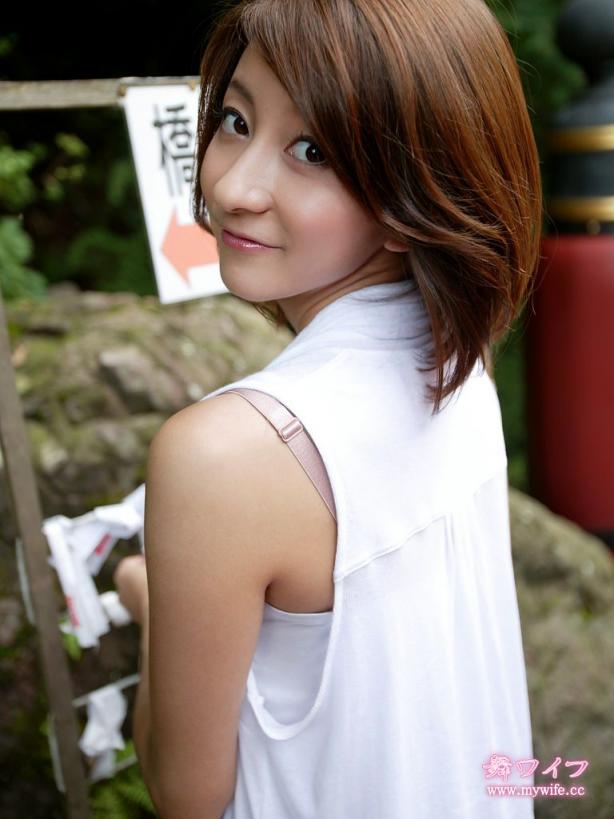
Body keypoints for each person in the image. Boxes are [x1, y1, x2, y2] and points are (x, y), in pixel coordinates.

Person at [113, 0, 542, 816]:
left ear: (413, 195)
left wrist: (155, 607)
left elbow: (185, 794)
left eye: (312, 150)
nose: (233, 186)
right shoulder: (458, 370)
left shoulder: (226, 456)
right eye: (236, 120)